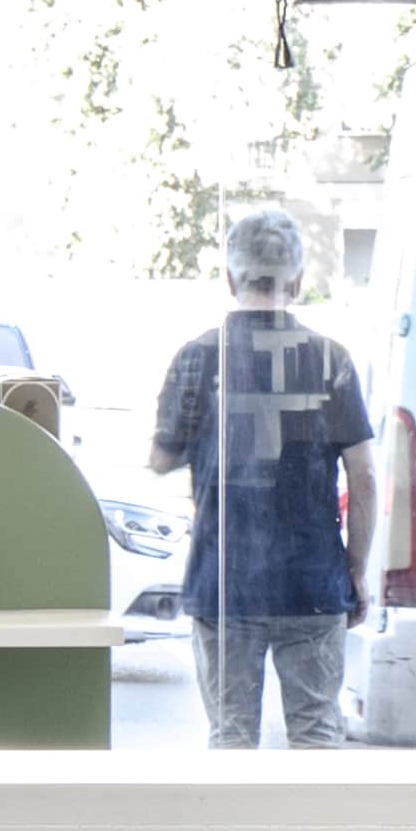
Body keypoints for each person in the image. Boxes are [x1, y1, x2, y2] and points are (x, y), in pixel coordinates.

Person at [151, 206, 373, 748]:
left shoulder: (198, 357)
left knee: (231, 736)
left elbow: (160, 457)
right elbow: (365, 476)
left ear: (231, 279)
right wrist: (356, 570)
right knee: (316, 733)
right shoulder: (331, 359)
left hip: (224, 580)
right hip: (312, 581)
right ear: (297, 281)